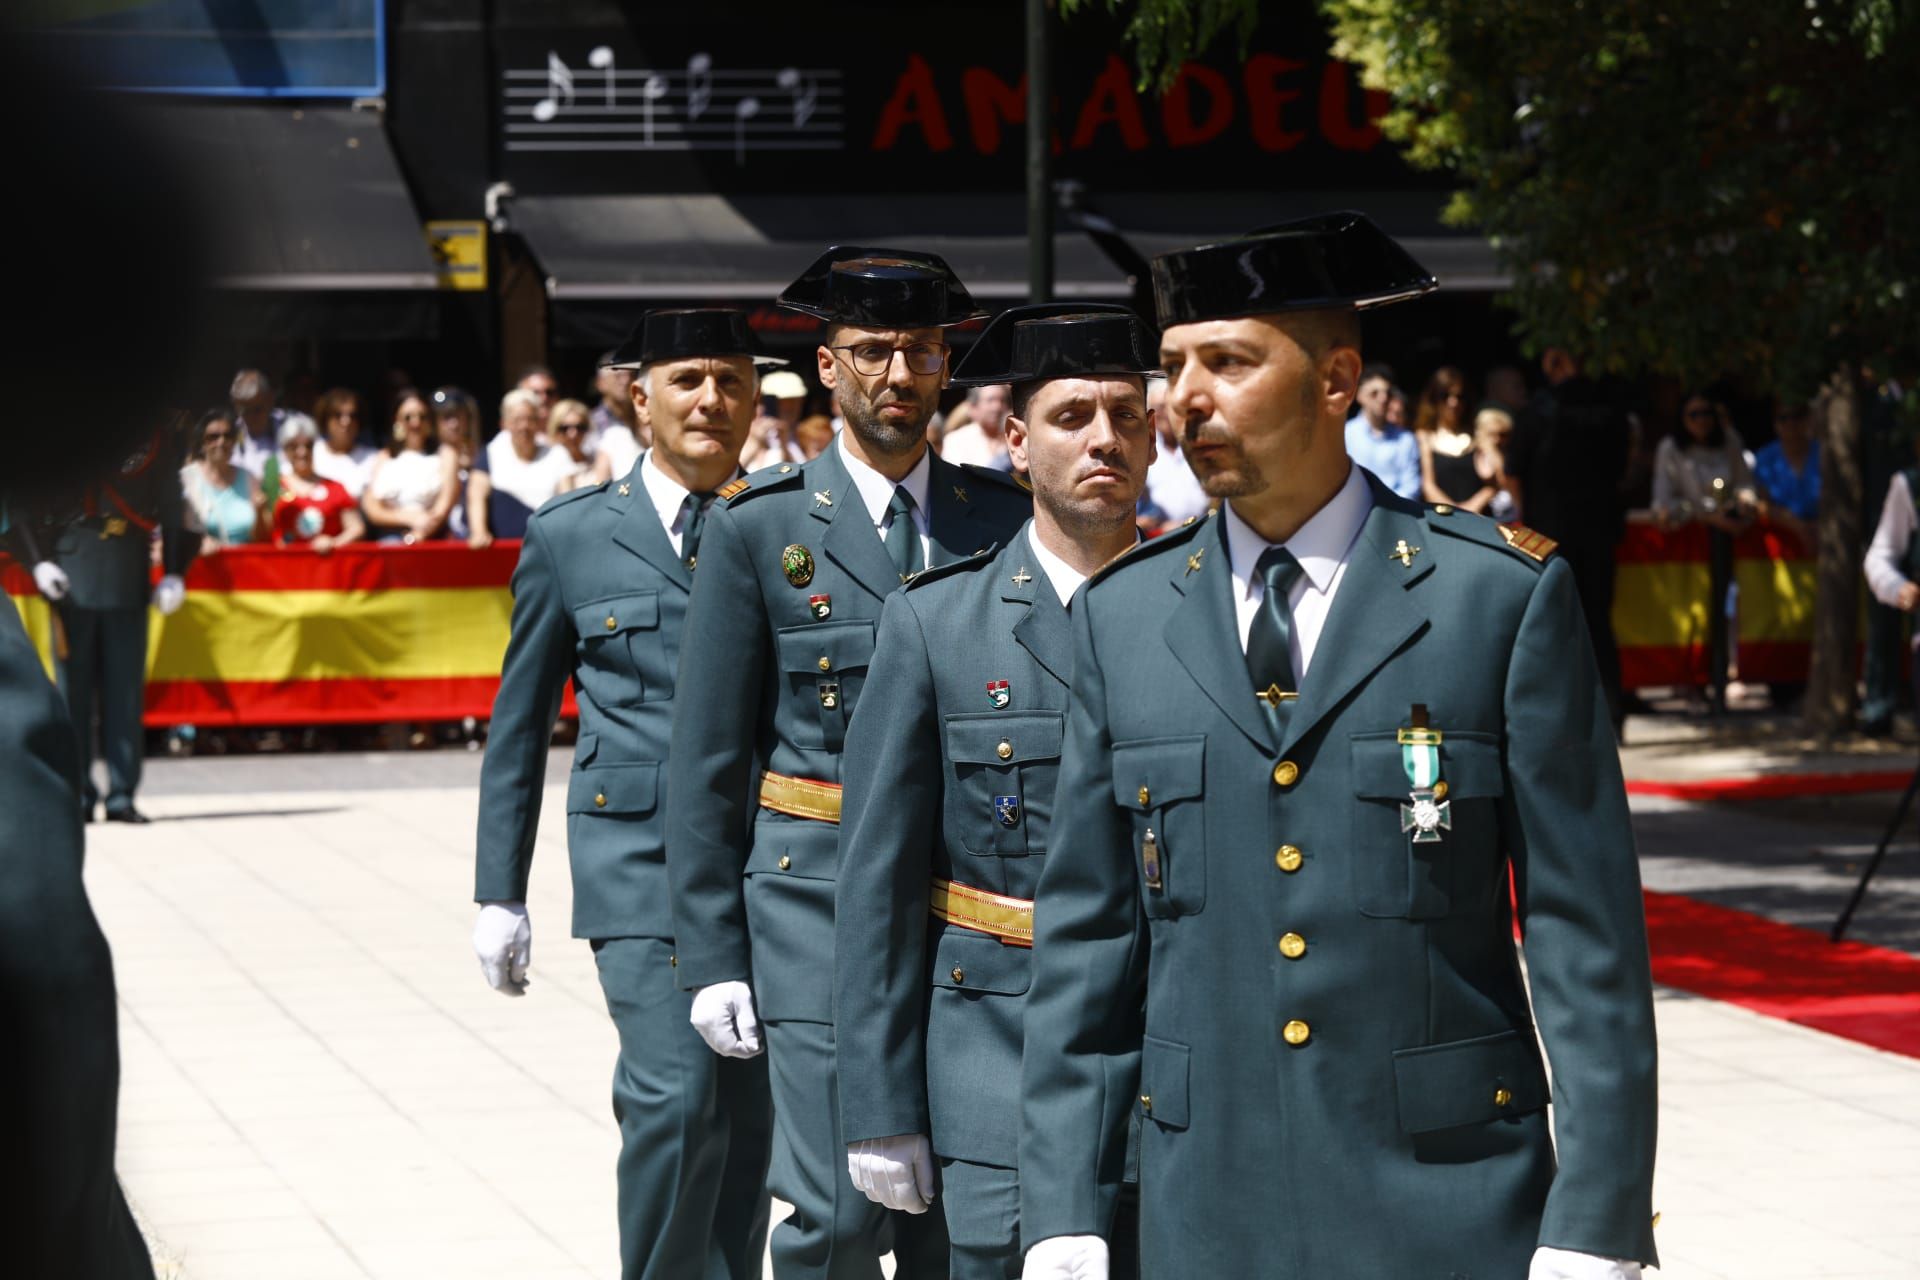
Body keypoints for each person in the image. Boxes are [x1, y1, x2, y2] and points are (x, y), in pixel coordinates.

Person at [1016, 212, 1658, 1280]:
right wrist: (1063, 1207)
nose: (1186, 399)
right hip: (1205, 1198)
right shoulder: (1123, 619)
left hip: (1447, 1197)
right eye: (1173, 365)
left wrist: (1595, 1217)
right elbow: (1087, 945)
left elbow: (1583, 936)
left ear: (1335, 383)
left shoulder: (1490, 596)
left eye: (1227, 361)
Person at [665, 247, 1030, 1280]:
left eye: (920, 350)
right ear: (827, 367)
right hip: (813, 907)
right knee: (834, 1209)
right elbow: (706, 759)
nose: (898, 374)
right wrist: (713, 951)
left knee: (953, 1211)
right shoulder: (759, 526)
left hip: (964, 901)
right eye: (871, 351)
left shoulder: (999, 518)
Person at [835, 305, 1158, 1278]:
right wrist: (883, 1106)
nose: (1104, 437)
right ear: (1016, 439)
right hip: (995, 1065)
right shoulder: (938, 624)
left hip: (1174, 1064)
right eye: (1071, 416)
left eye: (1128, 414)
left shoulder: (1214, 616)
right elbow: (878, 883)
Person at [474, 308, 778, 1280]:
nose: (711, 400)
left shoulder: (789, 524)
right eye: (687, 378)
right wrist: (499, 889)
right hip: (638, 866)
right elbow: (519, 724)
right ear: (636, 395)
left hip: (767, 866)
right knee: (677, 1100)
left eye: (732, 380)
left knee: (747, 1123)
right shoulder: (573, 537)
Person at [38, 420, 193, 824]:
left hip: (127, 567)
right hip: (74, 567)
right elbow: (36, 498)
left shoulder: (149, 434)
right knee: (74, 694)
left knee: (124, 692)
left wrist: (175, 568)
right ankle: (79, 793)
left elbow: (169, 501)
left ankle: (122, 793)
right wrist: (38, 560)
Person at [1503, 348, 1634, 730]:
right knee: (1598, 620)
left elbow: (1513, 473)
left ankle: (1559, 718)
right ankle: (1611, 711)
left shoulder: (1535, 412)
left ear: (1553, 364)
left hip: (1549, 535)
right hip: (1599, 531)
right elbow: (1623, 470)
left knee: (1551, 623)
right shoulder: (1613, 412)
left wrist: (1529, 512)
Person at [467, 389, 576, 547]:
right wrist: (479, 531)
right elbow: (476, 493)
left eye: (530, 419)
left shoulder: (557, 454)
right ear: (505, 423)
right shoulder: (491, 452)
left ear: (538, 422)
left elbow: (568, 501)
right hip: (503, 550)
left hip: (546, 546)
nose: (524, 426)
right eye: (517, 420)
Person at [362, 389, 460, 543]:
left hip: (433, 538)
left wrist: (419, 534)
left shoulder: (445, 454)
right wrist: (406, 518)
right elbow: (372, 507)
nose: (416, 423)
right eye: (408, 417)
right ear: (397, 421)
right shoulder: (384, 457)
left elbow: (444, 503)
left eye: (422, 416)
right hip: (390, 538)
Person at [273, 414, 366, 553]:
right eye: (294, 446)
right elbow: (263, 532)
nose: (302, 452)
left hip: (327, 569)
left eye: (308, 445)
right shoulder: (273, 487)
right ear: (285, 450)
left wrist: (334, 543)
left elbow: (356, 528)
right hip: (284, 568)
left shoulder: (335, 488)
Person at [181, 409, 267, 550]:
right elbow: (176, 533)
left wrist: (260, 513)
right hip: (206, 565)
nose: (221, 442)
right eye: (213, 437)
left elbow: (262, 537)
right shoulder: (187, 479)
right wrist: (198, 544)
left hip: (245, 564)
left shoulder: (249, 478)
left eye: (228, 436)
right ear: (202, 443)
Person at [1140, 376, 1211, 529]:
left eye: (1169, 407)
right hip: (1157, 535)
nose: (1165, 414)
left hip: (1202, 528)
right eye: (1159, 408)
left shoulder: (1199, 443)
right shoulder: (1143, 449)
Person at [1343, 363, 1421, 501]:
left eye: (1388, 393)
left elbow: (1411, 487)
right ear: (1359, 396)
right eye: (1374, 393)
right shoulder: (1344, 435)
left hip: (1397, 514)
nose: (1383, 398)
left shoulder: (1406, 440)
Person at [1417, 366, 1489, 508]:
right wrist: (1456, 515)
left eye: (1459, 396)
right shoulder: (1424, 437)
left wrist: (1471, 508)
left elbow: (1494, 483)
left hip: (1478, 519)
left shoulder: (1478, 435)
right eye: (1445, 396)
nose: (1453, 403)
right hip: (1440, 519)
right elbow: (1428, 486)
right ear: (1434, 399)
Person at [1752, 399, 1821, 543]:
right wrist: (1797, 526)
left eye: (1797, 416)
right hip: (1779, 543)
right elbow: (1761, 503)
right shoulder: (1765, 457)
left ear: (1808, 418)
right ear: (1775, 423)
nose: (1791, 423)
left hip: (1822, 539)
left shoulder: (1824, 454)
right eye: (1783, 418)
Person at [433, 386, 482, 542]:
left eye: (458, 417)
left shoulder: (482, 455)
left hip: (473, 536)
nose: (454, 424)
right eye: (446, 417)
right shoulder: (427, 458)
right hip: (438, 536)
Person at [741, 369, 813, 470]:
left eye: (796, 400)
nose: (792, 407)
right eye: (785, 401)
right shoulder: (745, 435)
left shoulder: (805, 435)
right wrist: (757, 442)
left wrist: (784, 443)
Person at [312, 387, 378, 498]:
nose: (346, 422)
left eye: (352, 416)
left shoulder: (374, 458)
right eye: (338, 415)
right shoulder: (312, 452)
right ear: (325, 420)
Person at [593, 355, 647, 478]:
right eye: (618, 376)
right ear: (600, 383)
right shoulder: (588, 424)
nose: (625, 381)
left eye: (631, 375)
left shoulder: (646, 421)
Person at [941, 384, 1014, 470]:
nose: (997, 407)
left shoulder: (1014, 437)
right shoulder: (956, 441)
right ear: (973, 408)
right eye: (990, 400)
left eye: (1002, 401)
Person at [549, 397, 614, 494]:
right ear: (555, 429)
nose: (573, 434)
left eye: (579, 427)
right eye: (565, 428)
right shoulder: (547, 462)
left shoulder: (597, 461)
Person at [229, 367, 285, 479]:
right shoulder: (230, 435)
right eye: (245, 411)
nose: (251, 417)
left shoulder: (291, 428)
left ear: (270, 401)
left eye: (257, 410)